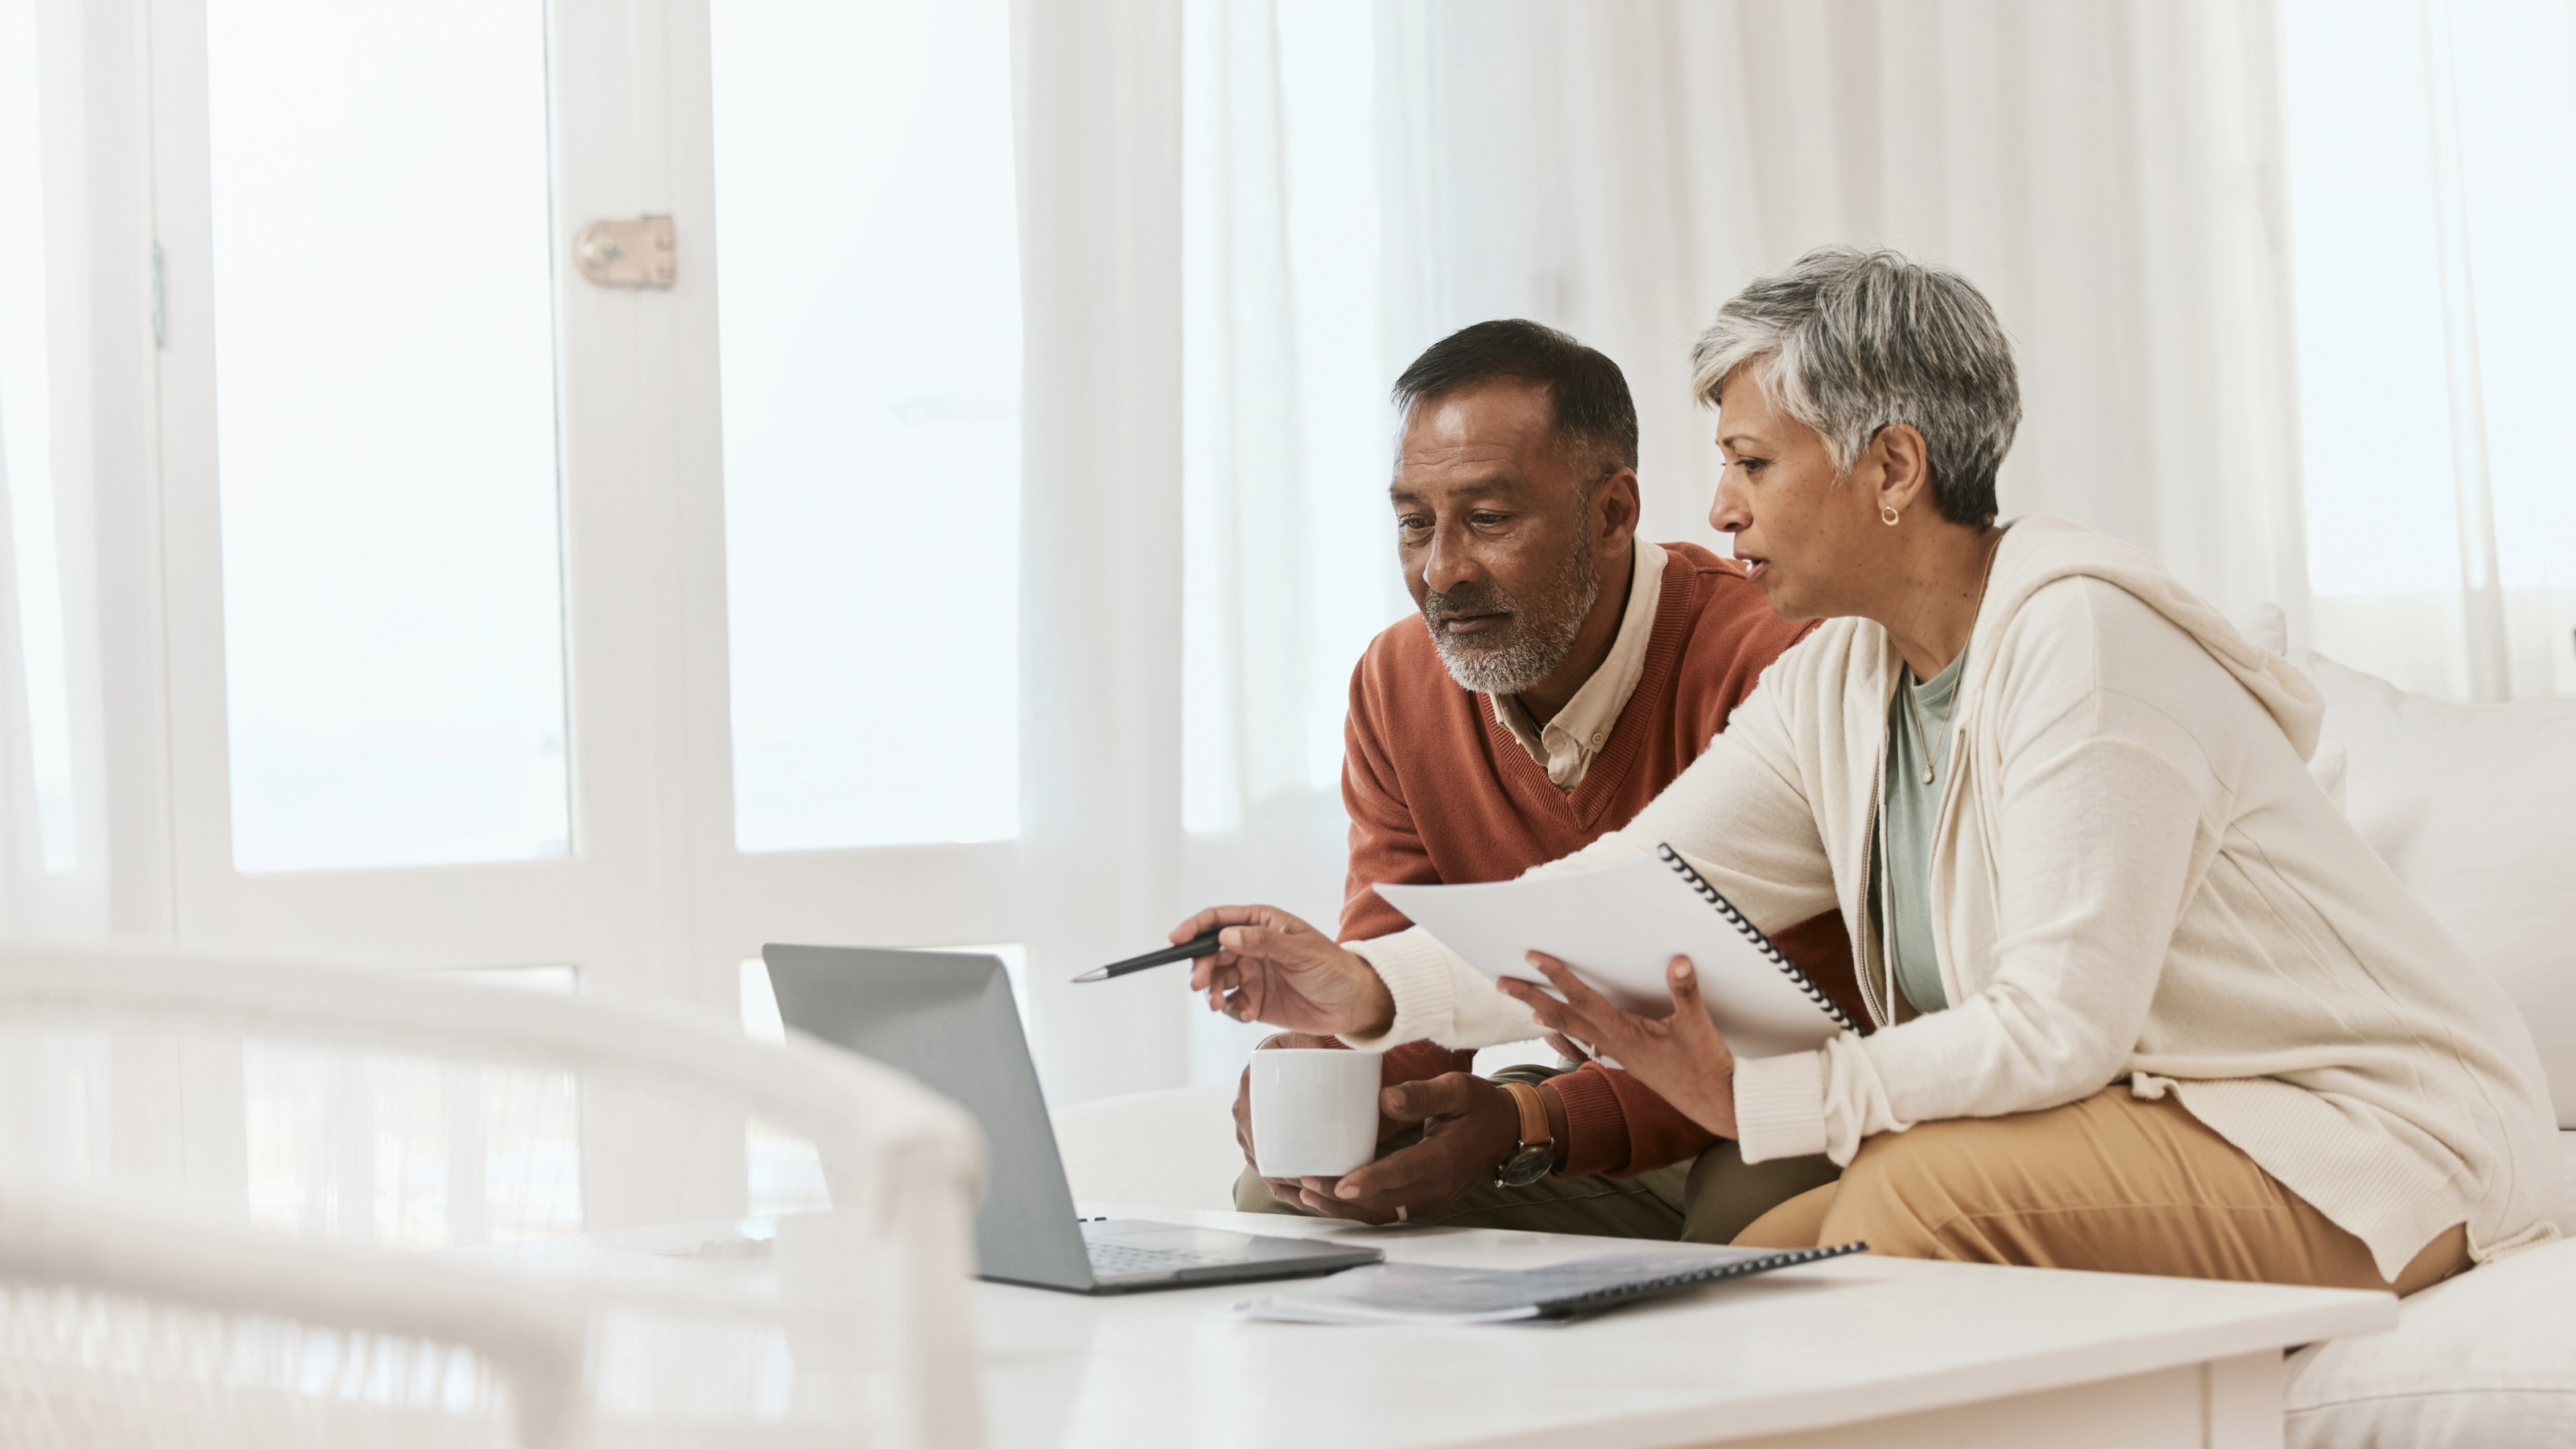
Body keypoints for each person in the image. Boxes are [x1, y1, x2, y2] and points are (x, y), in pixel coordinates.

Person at [1180, 248, 2558, 1291]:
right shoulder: (1843, 677)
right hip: (2152, 1123)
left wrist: (1773, 1101)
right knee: (1739, 1288)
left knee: (1897, 1211)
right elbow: (1634, 892)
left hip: (2359, 1138)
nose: (1716, 510)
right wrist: (1366, 986)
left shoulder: (2084, 642)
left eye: (1752, 462)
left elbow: (2056, 1026)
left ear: (1891, 466)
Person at [1213, 319, 1862, 1243]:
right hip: (1581, 1106)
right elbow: (1400, 958)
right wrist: (1334, 1076)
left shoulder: (1775, 657)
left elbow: (1811, 1018)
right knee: (1291, 1192)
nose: (1440, 571)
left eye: (1487, 519)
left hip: (1776, 1099)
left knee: (1745, 1200)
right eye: (1412, 524)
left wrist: (1535, 1125)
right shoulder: (1398, 683)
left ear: (1612, 514)